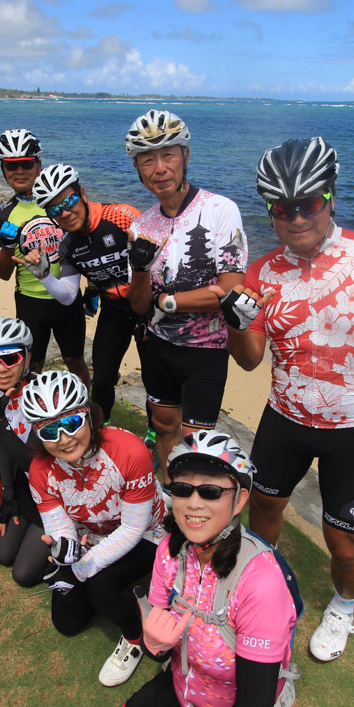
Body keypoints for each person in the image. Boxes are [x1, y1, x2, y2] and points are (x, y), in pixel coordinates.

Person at [218, 137, 354, 662]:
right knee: (264, 506)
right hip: (285, 417)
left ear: (330, 196)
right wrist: (234, 323)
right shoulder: (263, 272)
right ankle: (260, 588)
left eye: (307, 203)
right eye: (280, 207)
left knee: (344, 544)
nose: (294, 218)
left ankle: (342, 607)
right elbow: (250, 359)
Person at [96, 431, 297, 707]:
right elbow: (160, 652)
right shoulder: (168, 552)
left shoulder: (260, 583)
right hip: (181, 692)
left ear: (240, 500)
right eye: (182, 489)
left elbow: (256, 705)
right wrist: (153, 643)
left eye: (211, 491)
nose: (193, 503)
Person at [123, 110, 247, 476]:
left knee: (197, 442)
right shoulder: (141, 225)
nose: (159, 168)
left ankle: (195, 508)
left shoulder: (220, 210)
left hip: (206, 352)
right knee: (162, 425)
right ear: (137, 168)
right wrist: (142, 270)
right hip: (158, 347)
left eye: (168, 155)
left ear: (186, 157)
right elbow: (138, 304)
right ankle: (169, 491)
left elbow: (230, 292)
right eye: (147, 159)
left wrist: (168, 302)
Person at [22, 371, 164, 687]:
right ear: (37, 434)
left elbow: (132, 528)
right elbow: (59, 526)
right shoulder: (39, 470)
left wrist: (81, 568)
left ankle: (135, 637)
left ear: (88, 416)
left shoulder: (129, 450)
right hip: (93, 536)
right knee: (67, 622)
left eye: (71, 424)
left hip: (148, 533)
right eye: (50, 431)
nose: (63, 439)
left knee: (100, 585)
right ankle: (134, 598)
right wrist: (65, 551)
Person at [26, 163, 143, 421]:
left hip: (148, 307)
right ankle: (103, 429)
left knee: (156, 380)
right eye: (55, 210)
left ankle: (154, 434)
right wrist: (45, 275)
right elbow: (68, 295)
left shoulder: (123, 216)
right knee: (101, 380)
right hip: (114, 311)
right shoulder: (67, 246)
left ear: (83, 193)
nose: (65, 212)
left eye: (69, 201)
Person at [0, 130, 91, 383]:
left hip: (68, 298)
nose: (19, 171)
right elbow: (2, 274)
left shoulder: (60, 203)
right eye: (12, 166)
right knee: (33, 364)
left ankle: (88, 413)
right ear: (3, 169)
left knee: (75, 361)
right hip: (30, 302)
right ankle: (32, 416)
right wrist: (10, 245)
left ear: (39, 165)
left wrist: (96, 286)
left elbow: (87, 242)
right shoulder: (3, 217)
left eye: (26, 164)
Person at [0, 317, 51, 586]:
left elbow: (33, 464)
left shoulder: (43, 396)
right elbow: (5, 445)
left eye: (11, 359)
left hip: (58, 491)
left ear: (27, 357)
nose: (1, 369)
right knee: (3, 554)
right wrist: (8, 495)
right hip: (29, 487)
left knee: (24, 575)